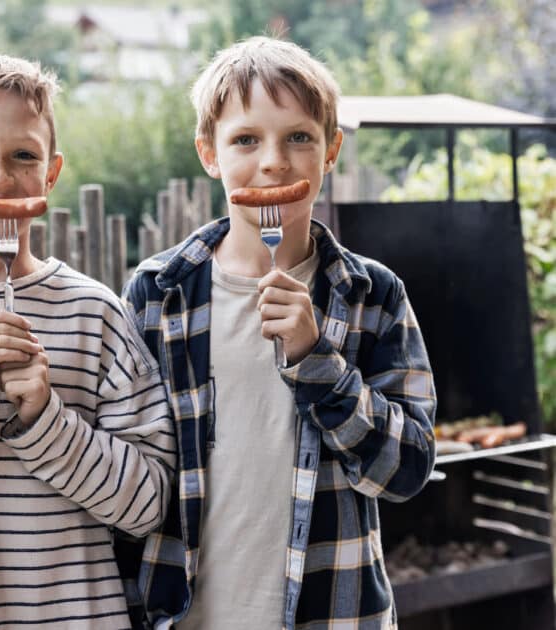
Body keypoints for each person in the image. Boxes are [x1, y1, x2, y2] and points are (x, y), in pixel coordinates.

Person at [121, 36, 436, 630]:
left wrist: (317, 360)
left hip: (335, 615)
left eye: (299, 137)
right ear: (208, 154)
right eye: (245, 139)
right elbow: (133, 476)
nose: (274, 161)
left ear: (331, 149)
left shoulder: (374, 294)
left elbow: (408, 471)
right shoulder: (157, 293)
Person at [0, 54, 175, 629]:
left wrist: (46, 419)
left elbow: (150, 507)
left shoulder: (97, 315)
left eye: (23, 156)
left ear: (52, 173)